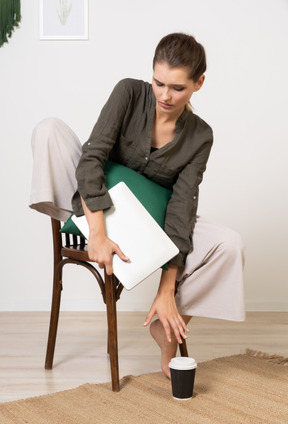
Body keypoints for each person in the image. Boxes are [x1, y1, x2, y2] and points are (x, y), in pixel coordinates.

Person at [30, 33, 245, 379]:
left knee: (230, 245)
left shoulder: (200, 135)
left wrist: (166, 290)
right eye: (158, 82)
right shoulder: (129, 93)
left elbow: (181, 208)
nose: (164, 95)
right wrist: (97, 234)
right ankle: (80, 220)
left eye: (177, 88)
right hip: (99, 207)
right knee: (49, 129)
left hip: (153, 223)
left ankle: (168, 324)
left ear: (199, 83)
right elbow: (92, 157)